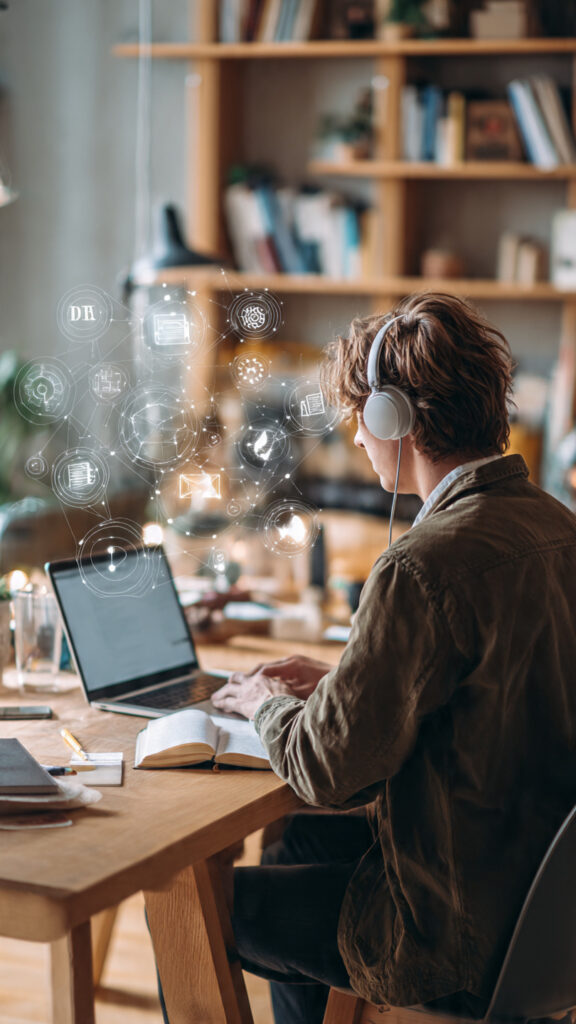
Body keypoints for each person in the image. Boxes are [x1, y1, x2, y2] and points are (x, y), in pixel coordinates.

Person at [209, 292, 576, 1024]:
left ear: (393, 418)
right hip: (544, 919)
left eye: (359, 417)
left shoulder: (421, 564)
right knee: (299, 845)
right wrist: (344, 682)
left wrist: (266, 703)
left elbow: (325, 771)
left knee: (213, 907)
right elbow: (482, 691)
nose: (357, 436)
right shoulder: (558, 526)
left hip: (451, 937)